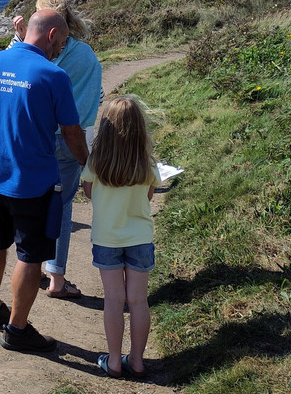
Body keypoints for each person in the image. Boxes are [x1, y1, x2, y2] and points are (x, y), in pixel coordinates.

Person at [0, 9, 89, 352]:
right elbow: (72, 132)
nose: (59, 49)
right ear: (51, 36)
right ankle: (17, 330)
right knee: (31, 255)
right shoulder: (54, 75)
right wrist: (88, 165)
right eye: (61, 43)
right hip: (32, 181)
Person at [11, 0, 102, 299]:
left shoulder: (28, 52)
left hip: (32, 139)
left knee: (28, 205)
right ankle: (56, 278)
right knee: (61, 209)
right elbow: (88, 107)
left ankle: (30, 267)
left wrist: (18, 41)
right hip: (67, 141)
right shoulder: (85, 55)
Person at [82, 95, 159, 378]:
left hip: (107, 239)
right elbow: (149, 196)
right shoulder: (147, 163)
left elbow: (89, 192)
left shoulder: (97, 161)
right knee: (138, 300)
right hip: (139, 239)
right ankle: (137, 360)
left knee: (113, 300)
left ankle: (114, 360)